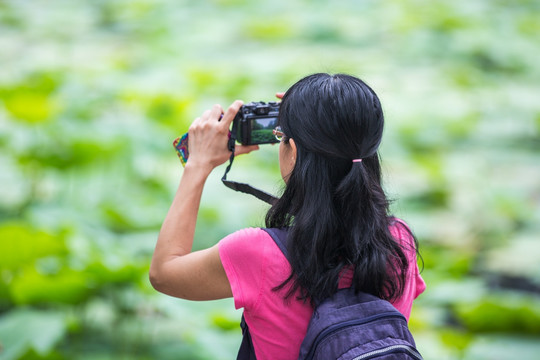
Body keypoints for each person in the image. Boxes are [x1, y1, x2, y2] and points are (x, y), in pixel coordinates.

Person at [150, 73, 426, 359]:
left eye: (281, 137)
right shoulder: (401, 243)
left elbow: (164, 273)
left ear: (292, 152)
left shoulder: (257, 253)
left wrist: (198, 164)